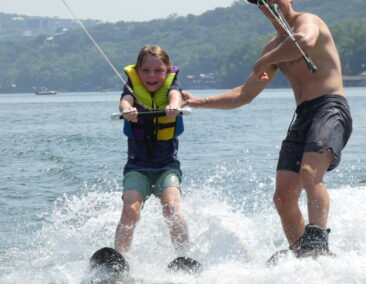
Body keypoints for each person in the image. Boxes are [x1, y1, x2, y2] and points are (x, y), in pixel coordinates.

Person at [182, 0, 352, 254]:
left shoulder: (308, 21)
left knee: (309, 171)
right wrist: (199, 102)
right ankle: (300, 253)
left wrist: (264, 61)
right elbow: (244, 94)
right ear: (260, 8)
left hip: (330, 108)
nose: (270, 3)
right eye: (263, 1)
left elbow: (302, 43)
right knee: (282, 197)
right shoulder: (273, 49)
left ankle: (317, 239)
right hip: (303, 115)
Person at [115, 45, 189, 257]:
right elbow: (125, 101)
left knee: (172, 209)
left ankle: (183, 258)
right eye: (146, 70)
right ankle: (118, 260)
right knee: (130, 210)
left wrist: (174, 107)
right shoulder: (131, 87)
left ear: (166, 71)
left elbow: (176, 96)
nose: (152, 75)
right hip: (137, 167)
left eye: (158, 70)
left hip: (167, 167)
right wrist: (127, 110)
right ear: (138, 71)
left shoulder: (173, 85)